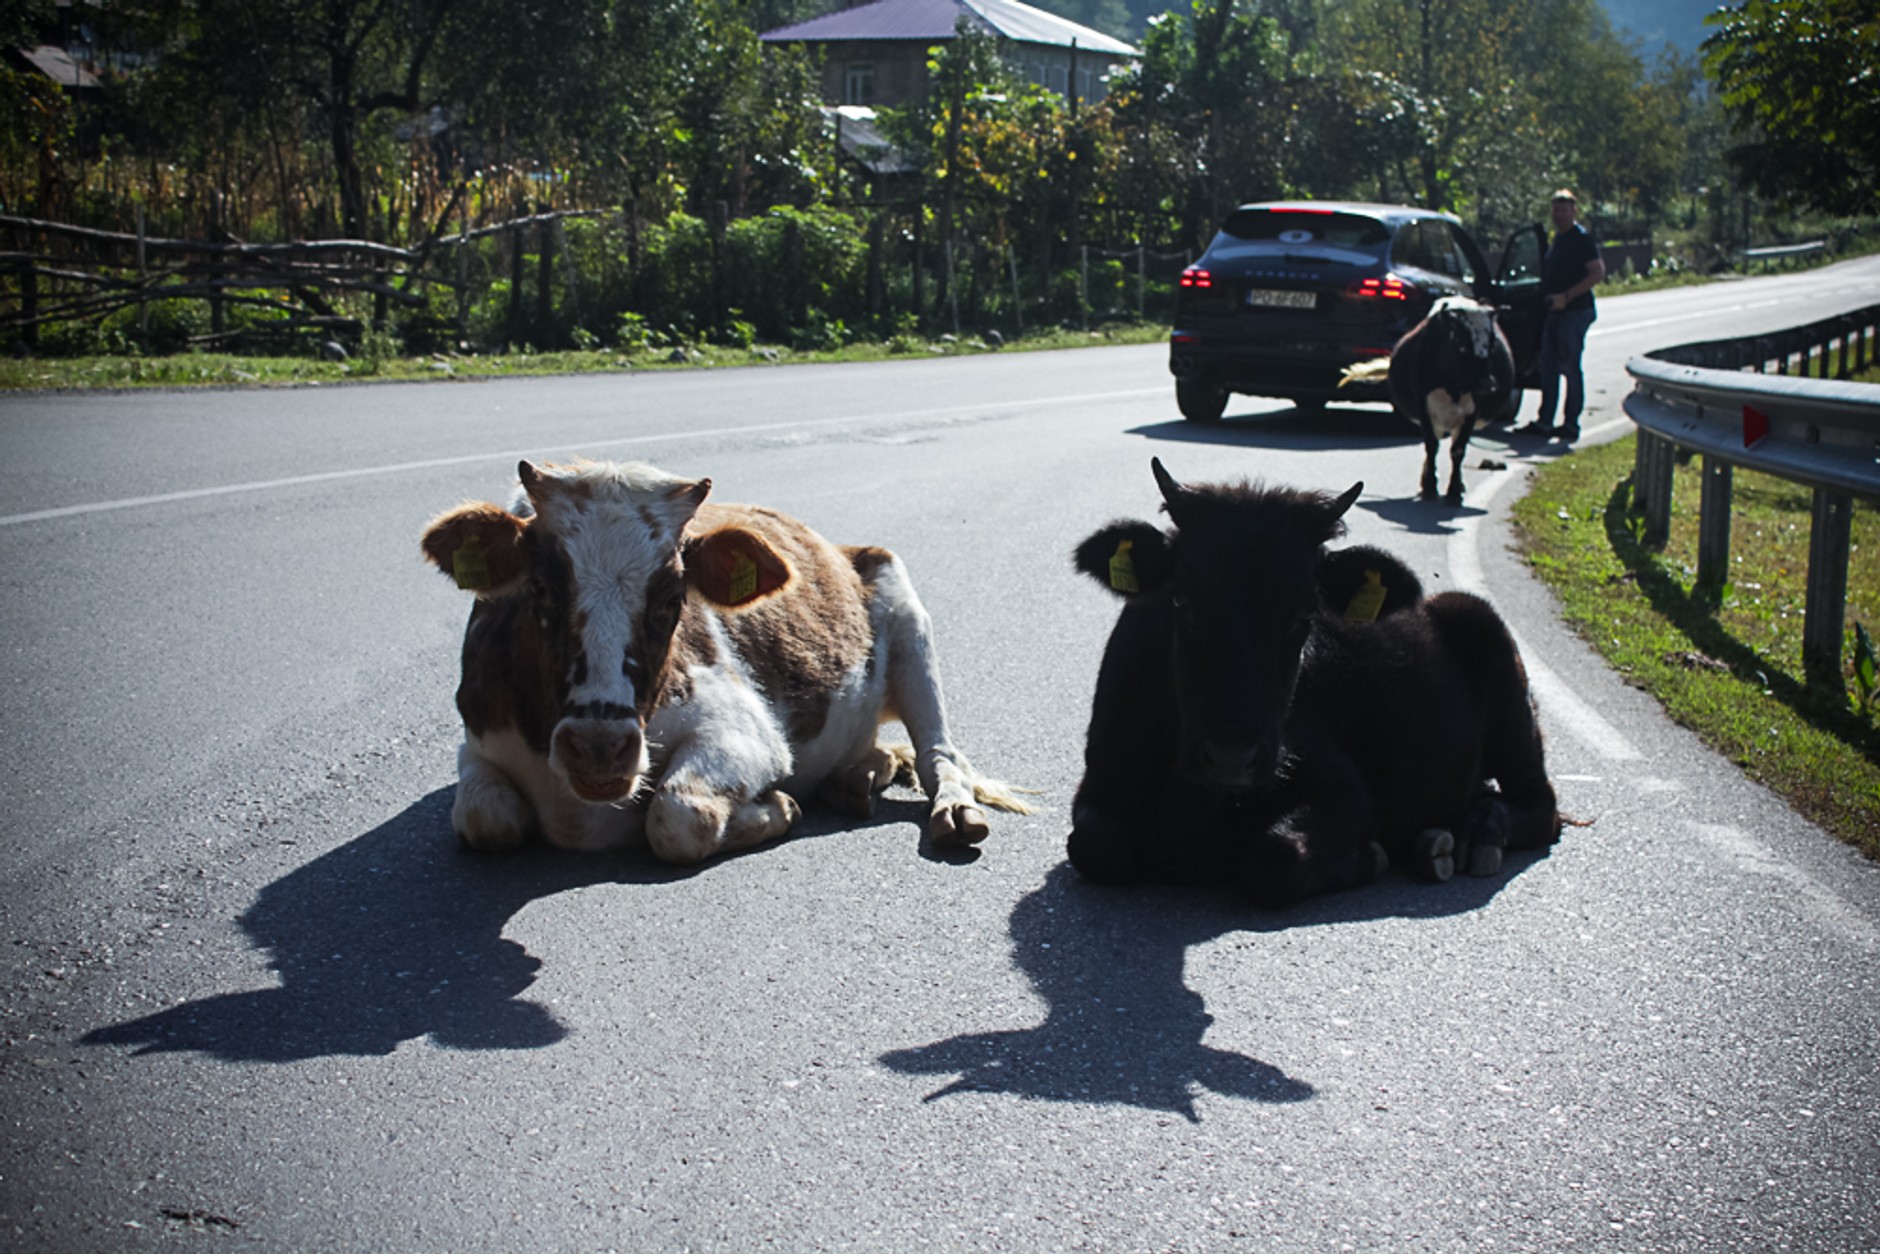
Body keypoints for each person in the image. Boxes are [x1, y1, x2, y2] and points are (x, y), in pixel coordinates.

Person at [1520, 189, 1605, 442]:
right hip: (1554, 312)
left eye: (1564, 210)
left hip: (1575, 311)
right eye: (1556, 210)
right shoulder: (1558, 239)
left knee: (1569, 368)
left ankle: (1570, 424)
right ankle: (1545, 422)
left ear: (1574, 211)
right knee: (1548, 368)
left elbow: (1597, 272)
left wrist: (1567, 296)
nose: (1559, 215)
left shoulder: (1581, 239)